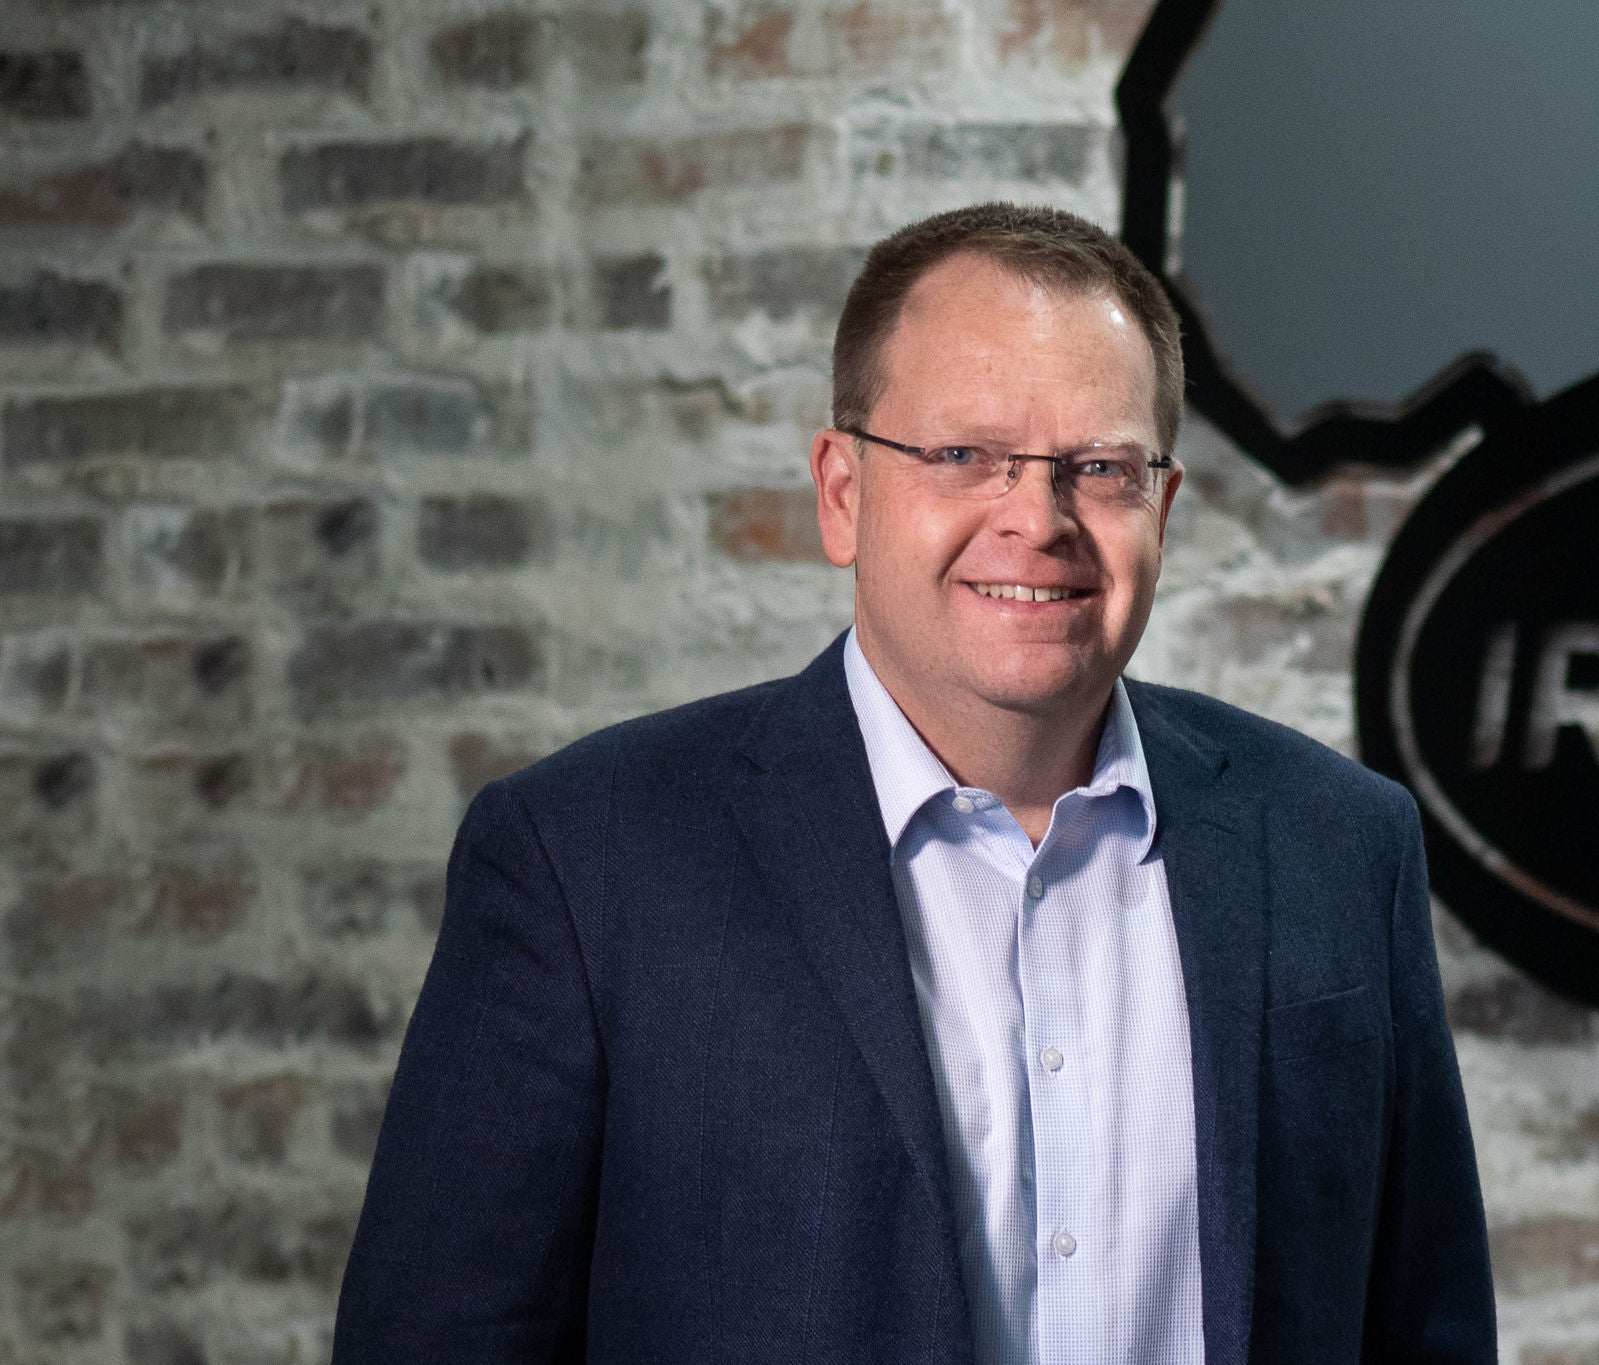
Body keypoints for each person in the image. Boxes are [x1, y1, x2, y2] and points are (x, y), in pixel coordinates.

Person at [332, 203, 1494, 1364]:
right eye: (962, 456)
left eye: (1098, 468)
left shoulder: (1340, 846)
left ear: (1162, 508)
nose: (1034, 519)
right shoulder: (586, 863)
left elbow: (1423, 1330)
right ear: (842, 493)